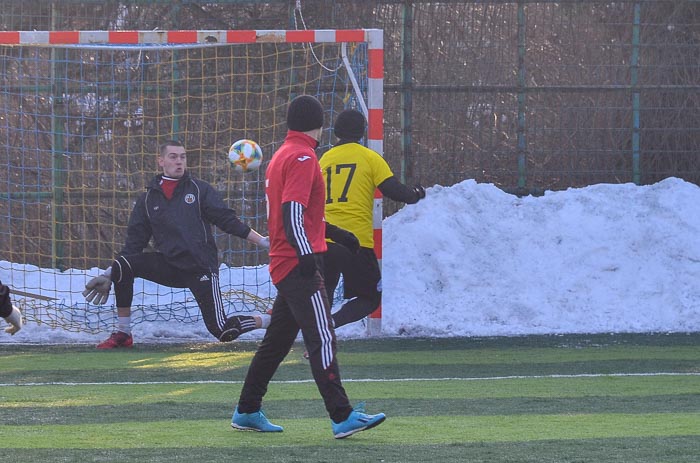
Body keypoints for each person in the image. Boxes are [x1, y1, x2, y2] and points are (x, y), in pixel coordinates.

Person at [231, 95, 385, 439]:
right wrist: (306, 255)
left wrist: (339, 235)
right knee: (322, 337)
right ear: (318, 123)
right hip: (297, 265)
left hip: (283, 262)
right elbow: (292, 212)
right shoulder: (303, 156)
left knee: (276, 343)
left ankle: (247, 409)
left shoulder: (281, 156)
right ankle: (342, 415)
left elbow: (305, 213)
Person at [83, 140, 271, 349]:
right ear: (161, 161)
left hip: (200, 267)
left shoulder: (199, 190)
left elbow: (228, 221)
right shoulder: (147, 199)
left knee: (222, 330)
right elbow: (133, 244)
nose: (179, 161)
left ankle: (269, 319)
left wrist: (263, 241)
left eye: (182, 157)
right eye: (173, 157)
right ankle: (123, 334)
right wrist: (109, 274)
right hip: (170, 266)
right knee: (123, 263)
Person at [319, 108, 425, 330]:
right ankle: (331, 325)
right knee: (370, 299)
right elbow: (393, 190)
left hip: (325, 240)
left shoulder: (324, 159)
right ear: (362, 133)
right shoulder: (369, 157)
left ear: (336, 132)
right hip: (356, 242)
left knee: (322, 298)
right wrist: (414, 195)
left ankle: (317, 332)